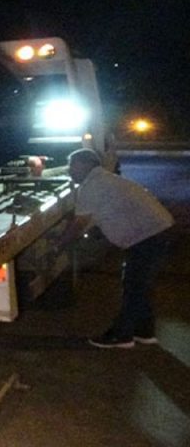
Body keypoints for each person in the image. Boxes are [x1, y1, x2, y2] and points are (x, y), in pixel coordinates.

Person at [62, 148, 174, 348]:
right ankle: (144, 331)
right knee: (139, 286)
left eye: (72, 166)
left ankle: (121, 335)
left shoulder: (91, 186)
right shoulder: (105, 179)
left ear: (85, 165)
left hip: (147, 236)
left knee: (134, 287)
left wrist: (60, 244)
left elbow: (79, 224)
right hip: (155, 232)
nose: (69, 171)